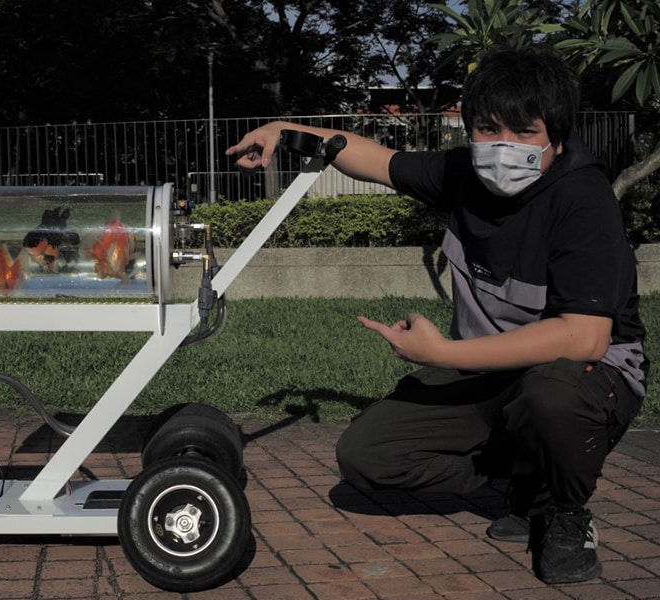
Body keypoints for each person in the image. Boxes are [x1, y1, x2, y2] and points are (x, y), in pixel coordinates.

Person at [226, 46, 648, 585]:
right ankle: (522, 479)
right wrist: (282, 129)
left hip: (587, 375)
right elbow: (375, 159)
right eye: (488, 129)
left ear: (557, 135)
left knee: (554, 393)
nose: (503, 148)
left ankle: (565, 512)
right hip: (489, 374)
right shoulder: (461, 173)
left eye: (524, 133)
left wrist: (442, 354)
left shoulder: (582, 199)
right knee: (366, 455)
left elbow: (584, 338)